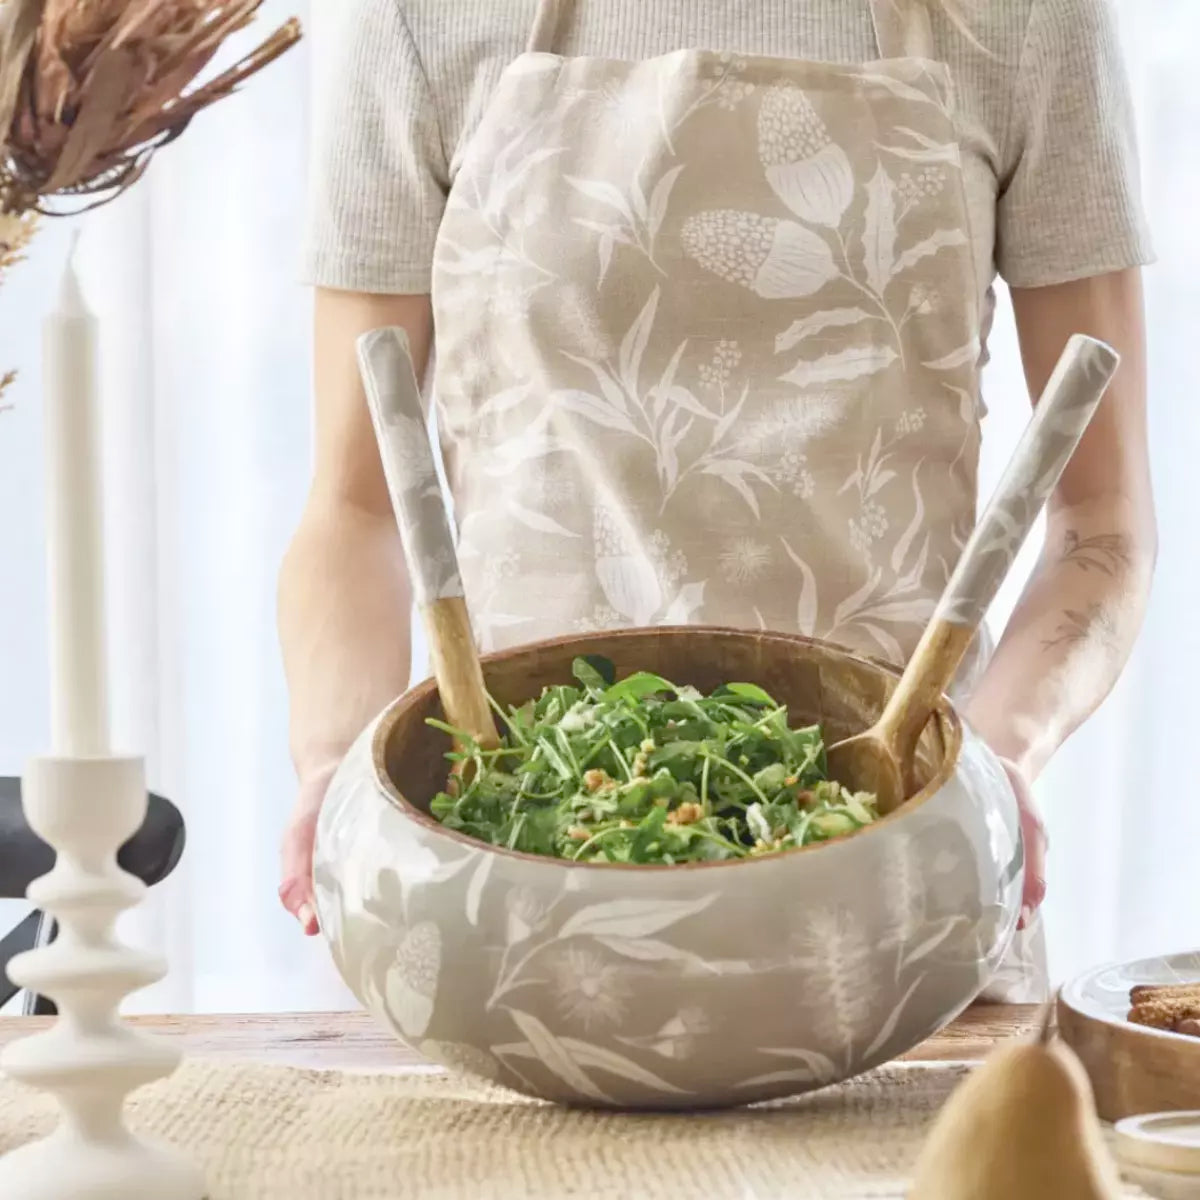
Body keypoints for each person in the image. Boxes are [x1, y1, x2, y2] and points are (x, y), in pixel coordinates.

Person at [280, 0, 1156, 1001]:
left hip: (904, 877)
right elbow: (355, 509)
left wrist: (994, 766)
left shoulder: (1030, 20)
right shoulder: (415, 19)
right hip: (519, 873)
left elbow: (1104, 522)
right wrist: (334, 769)